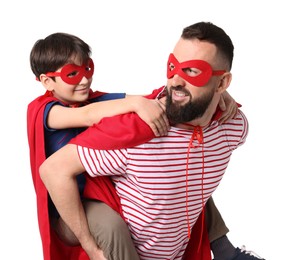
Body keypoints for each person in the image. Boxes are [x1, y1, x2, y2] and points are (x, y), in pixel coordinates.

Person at [39, 22, 265, 260]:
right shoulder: (134, 133)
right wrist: (91, 246)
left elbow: (145, 97)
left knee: (191, 174)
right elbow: (54, 168)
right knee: (110, 226)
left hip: (176, 246)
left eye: (193, 71)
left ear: (222, 82)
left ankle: (226, 252)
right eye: (173, 67)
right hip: (86, 212)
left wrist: (218, 94)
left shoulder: (233, 125)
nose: (175, 80)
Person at [27, 32, 170, 260]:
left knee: (176, 174)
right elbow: (88, 116)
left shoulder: (96, 100)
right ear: (47, 81)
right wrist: (133, 103)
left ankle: (224, 248)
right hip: (72, 212)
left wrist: (211, 94)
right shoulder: (47, 111)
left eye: (87, 69)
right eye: (72, 74)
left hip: (109, 193)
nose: (84, 80)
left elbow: (154, 98)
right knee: (111, 225)